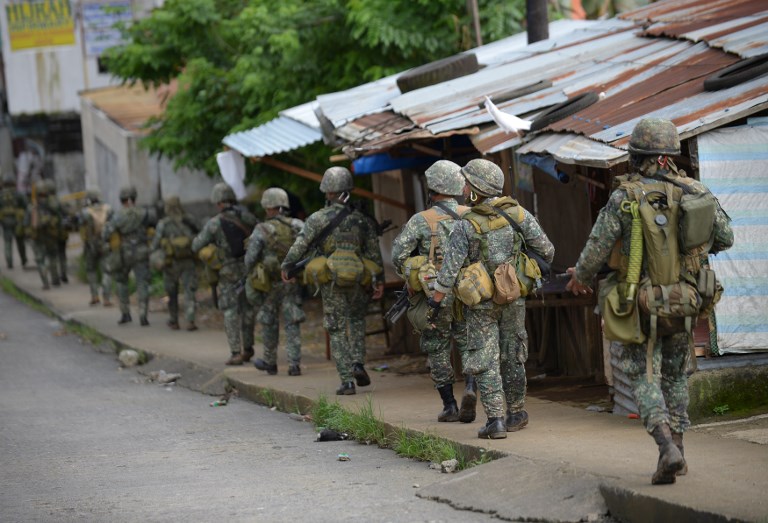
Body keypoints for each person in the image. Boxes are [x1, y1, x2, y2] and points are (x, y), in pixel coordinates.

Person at [565, 117, 733, 484]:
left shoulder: (624, 196)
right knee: (675, 376)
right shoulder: (695, 191)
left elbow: (596, 249)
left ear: (637, 156)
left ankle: (665, 447)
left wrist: (580, 278)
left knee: (643, 377)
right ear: (670, 154)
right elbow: (725, 238)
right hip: (686, 299)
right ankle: (680, 451)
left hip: (637, 303)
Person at [428, 159, 554, 439]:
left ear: (476, 190)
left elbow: (449, 271)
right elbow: (547, 251)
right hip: (512, 296)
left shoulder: (466, 225)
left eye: (467, 184)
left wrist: (435, 301)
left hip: (481, 302)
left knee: (484, 358)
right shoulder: (518, 214)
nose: (463, 189)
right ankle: (517, 413)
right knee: (513, 353)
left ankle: (495, 420)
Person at [281, 167, 384, 395]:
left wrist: (287, 266)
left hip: (332, 281)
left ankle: (347, 381)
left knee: (336, 328)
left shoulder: (317, 219)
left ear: (327, 191)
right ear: (348, 189)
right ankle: (358, 363)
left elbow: (300, 245)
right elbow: (374, 255)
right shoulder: (363, 220)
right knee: (356, 320)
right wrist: (379, 282)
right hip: (358, 278)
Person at [391, 160, 477, 423]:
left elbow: (398, 256)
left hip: (434, 294)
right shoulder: (471, 215)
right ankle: (471, 387)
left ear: (433, 189)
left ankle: (450, 406)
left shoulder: (421, 220)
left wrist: (412, 274)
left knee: (437, 348)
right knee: (470, 343)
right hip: (468, 291)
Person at [192, 182, 257, 365]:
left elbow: (196, 245)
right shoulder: (248, 218)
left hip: (228, 272)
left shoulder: (214, 223)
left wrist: (212, 248)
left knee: (230, 311)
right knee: (248, 309)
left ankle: (235, 353)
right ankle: (248, 349)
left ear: (219, 202)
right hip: (248, 269)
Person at [245, 188, 305, 376]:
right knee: (292, 321)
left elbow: (250, 259)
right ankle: (294, 364)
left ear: (270, 208)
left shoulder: (261, 229)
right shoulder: (298, 225)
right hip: (292, 281)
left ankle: (270, 362)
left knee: (269, 321)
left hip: (269, 284)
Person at [102, 186, 156, 326]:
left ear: (121, 200)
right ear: (134, 198)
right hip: (142, 251)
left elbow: (106, 234)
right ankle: (143, 315)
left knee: (121, 282)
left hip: (123, 253)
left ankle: (125, 313)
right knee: (142, 283)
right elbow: (154, 227)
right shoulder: (145, 213)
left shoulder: (117, 216)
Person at [151, 196, 200, 331]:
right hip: (188, 260)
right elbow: (200, 233)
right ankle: (190, 320)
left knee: (172, 292)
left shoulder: (163, 224)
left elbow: (155, 244)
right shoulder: (189, 220)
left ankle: (174, 320)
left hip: (171, 262)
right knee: (189, 290)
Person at [79, 190, 113, 306]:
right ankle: (107, 298)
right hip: (105, 244)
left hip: (90, 246)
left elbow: (80, 225)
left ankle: (94, 296)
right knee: (106, 272)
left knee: (91, 270)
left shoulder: (86, 212)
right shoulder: (108, 209)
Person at [26, 180, 62, 289]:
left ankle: (45, 281)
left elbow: (26, 223)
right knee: (52, 256)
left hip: (38, 236)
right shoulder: (52, 205)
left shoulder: (32, 207)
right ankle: (55, 279)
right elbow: (60, 218)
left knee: (40, 259)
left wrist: (28, 235)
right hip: (51, 234)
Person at [0, 175, 28, 270]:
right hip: (18, 221)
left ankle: (9, 262)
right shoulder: (18, 194)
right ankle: (23, 260)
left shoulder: (1, 195)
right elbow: (25, 206)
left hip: (5, 221)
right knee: (20, 242)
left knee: (8, 242)